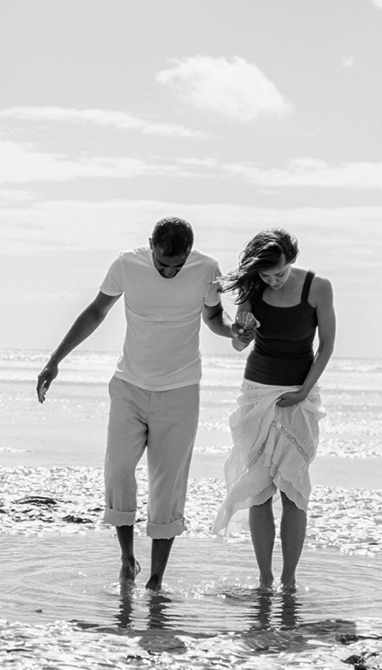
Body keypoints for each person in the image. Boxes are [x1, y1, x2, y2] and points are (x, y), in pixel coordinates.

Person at [36, 217, 237, 591]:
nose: (169, 271)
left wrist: (233, 331)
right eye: (163, 263)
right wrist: (55, 360)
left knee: (168, 486)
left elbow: (213, 316)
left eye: (177, 266)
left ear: (189, 253)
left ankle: (156, 579)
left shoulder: (207, 269)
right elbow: (97, 311)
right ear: (151, 246)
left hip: (180, 390)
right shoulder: (127, 264)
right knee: (118, 470)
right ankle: (127, 559)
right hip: (129, 385)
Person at [212, 228, 336, 590]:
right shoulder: (252, 289)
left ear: (291, 260)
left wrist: (303, 392)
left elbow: (327, 346)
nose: (273, 280)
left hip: (300, 393)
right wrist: (243, 332)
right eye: (266, 276)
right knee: (259, 489)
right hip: (257, 393)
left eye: (279, 273)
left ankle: (290, 578)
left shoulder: (318, 287)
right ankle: (265, 578)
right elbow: (239, 345)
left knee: (294, 489)